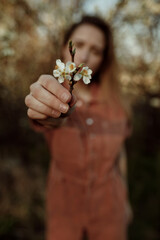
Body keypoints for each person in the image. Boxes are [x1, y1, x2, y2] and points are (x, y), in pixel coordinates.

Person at [25, 15, 132, 240]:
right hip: (64, 208)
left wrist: (126, 201)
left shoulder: (117, 103)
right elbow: (52, 120)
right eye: (79, 45)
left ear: (104, 59)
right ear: (66, 48)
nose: (84, 56)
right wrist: (51, 111)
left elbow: (120, 154)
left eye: (96, 50)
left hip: (109, 208)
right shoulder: (56, 93)